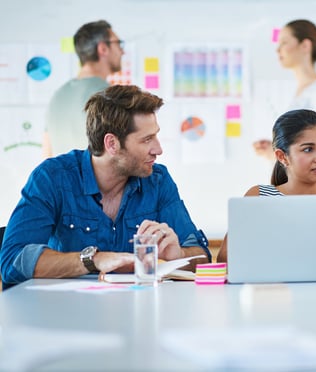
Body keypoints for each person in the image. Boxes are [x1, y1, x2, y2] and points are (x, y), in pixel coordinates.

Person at [0, 85, 210, 286]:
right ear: (112, 144)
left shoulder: (158, 180)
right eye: (147, 139)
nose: (158, 149)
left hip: (137, 311)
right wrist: (93, 260)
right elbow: (12, 260)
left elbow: (202, 257)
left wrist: (179, 255)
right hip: (67, 313)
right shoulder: (52, 178)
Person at [218, 109, 316, 263]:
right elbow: (225, 259)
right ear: (282, 157)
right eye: (308, 149)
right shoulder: (258, 197)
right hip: (276, 291)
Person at [253, 20, 316, 169]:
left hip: (310, 191)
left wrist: (278, 156)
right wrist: (276, 150)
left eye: (284, 42)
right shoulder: (301, 92)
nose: (277, 49)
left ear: (305, 45)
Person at [43, 20, 125, 157]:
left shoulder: (57, 96)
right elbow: (120, 156)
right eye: (118, 43)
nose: (122, 51)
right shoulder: (111, 96)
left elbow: (47, 154)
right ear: (103, 49)